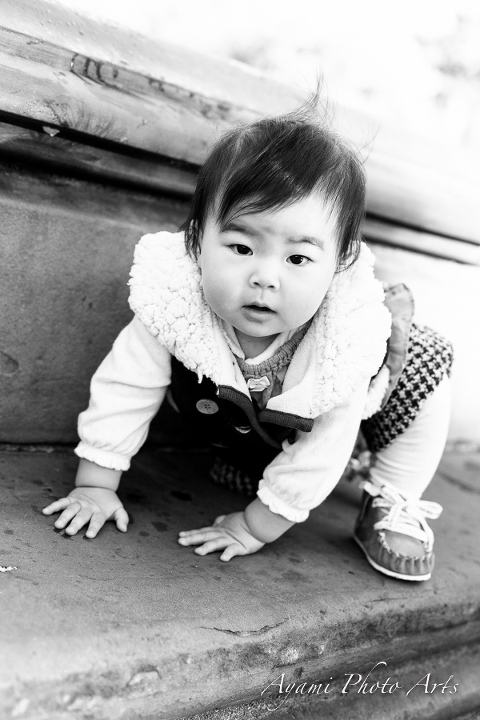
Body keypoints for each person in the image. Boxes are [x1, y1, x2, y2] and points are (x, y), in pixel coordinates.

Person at [42, 102, 453, 582]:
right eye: (241, 248)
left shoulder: (343, 344)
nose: (265, 278)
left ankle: (389, 498)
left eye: (298, 259)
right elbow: (124, 387)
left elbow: (323, 449)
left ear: (337, 265)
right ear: (197, 243)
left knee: (426, 358)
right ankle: (254, 466)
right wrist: (96, 483)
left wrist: (256, 526)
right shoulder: (174, 306)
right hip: (256, 427)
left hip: (359, 417)